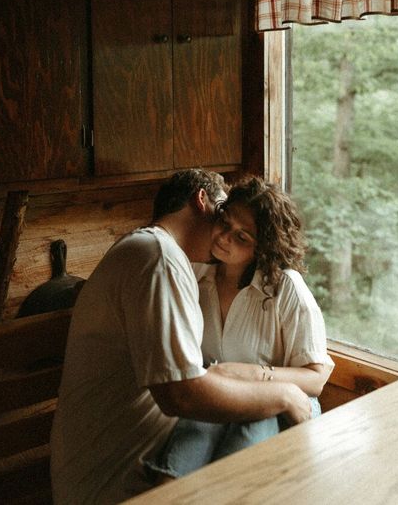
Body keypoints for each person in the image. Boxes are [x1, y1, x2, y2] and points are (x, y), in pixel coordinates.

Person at [50, 169, 311, 505]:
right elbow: (182, 396)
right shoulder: (158, 257)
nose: (223, 235)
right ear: (202, 201)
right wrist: (286, 395)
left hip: (146, 455)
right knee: (274, 418)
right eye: (223, 215)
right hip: (118, 480)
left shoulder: (154, 251)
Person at [143, 175, 334, 483]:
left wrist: (250, 374)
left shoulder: (285, 288)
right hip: (222, 397)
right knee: (198, 426)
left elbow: (317, 378)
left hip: (284, 406)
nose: (225, 238)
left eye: (243, 237)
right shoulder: (194, 274)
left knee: (250, 432)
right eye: (225, 223)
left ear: (263, 249)